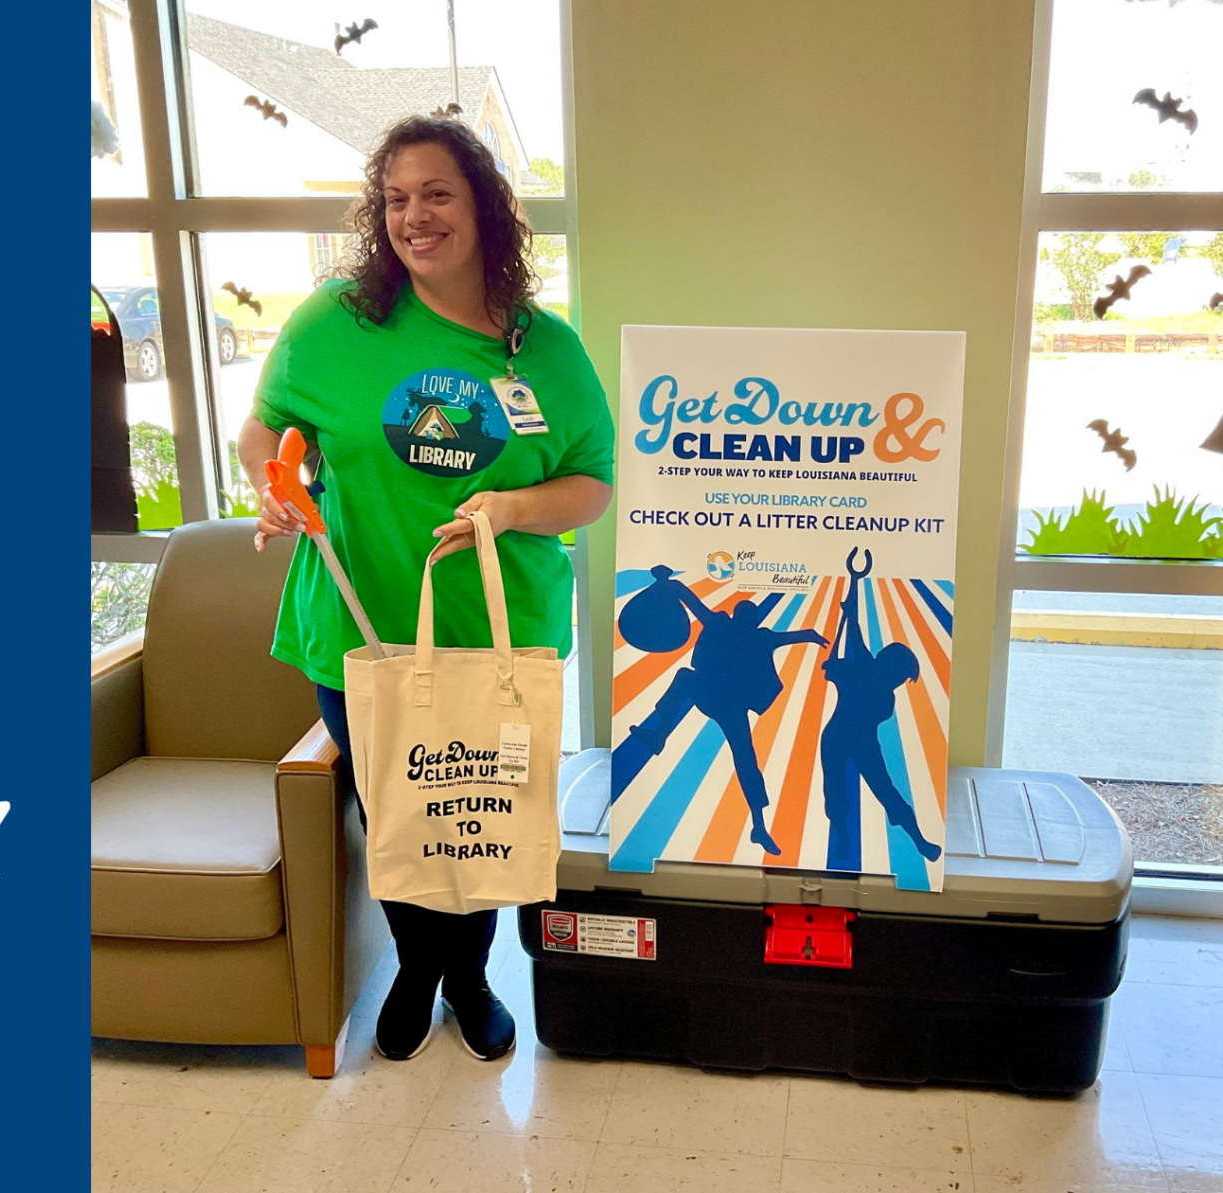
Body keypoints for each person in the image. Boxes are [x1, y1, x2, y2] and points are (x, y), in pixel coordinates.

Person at [238, 116, 615, 1063]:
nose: (416, 216)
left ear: (484, 207)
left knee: (479, 819)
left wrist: (516, 505)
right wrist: (273, 489)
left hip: (495, 631)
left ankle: (474, 975)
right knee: (396, 813)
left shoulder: (545, 349)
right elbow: (266, 429)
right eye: (397, 198)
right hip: (361, 630)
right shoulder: (335, 326)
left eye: (438, 193)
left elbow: (593, 482)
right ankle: (416, 968)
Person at [609, 587, 829, 855]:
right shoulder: (746, 632)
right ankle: (659, 736)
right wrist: (812, 636)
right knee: (685, 680)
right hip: (717, 697)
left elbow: (690, 599)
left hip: (725, 702)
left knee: (744, 758)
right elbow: (795, 636)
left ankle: (758, 826)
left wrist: (667, 581)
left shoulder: (744, 632)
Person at [819, 549, 940, 869]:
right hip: (839, 737)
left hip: (853, 739)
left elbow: (856, 644)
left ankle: (918, 840)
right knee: (838, 792)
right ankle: (845, 836)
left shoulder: (875, 685)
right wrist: (853, 596)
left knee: (884, 790)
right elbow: (856, 642)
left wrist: (836, 669)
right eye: (901, 676)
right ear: (891, 669)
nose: (901, 681)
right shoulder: (873, 680)